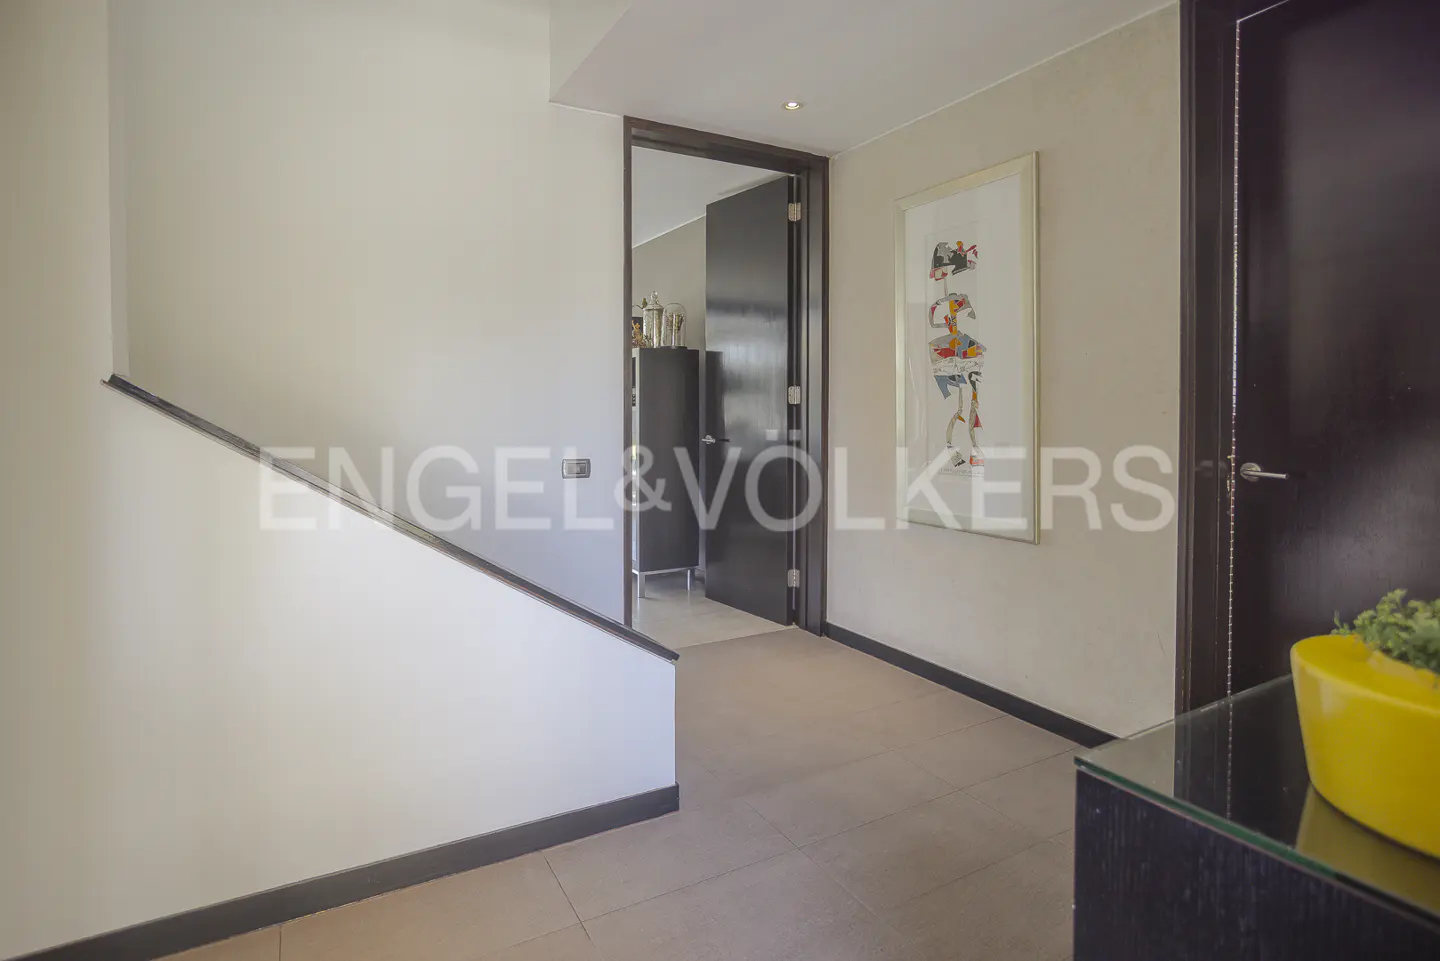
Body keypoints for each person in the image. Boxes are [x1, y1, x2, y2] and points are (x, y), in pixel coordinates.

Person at [927, 241, 985, 472]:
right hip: (951, 352)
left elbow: (969, 318)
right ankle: (955, 450)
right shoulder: (944, 304)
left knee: (971, 399)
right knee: (958, 402)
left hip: (962, 350)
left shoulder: (958, 302)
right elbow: (938, 321)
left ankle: (969, 450)